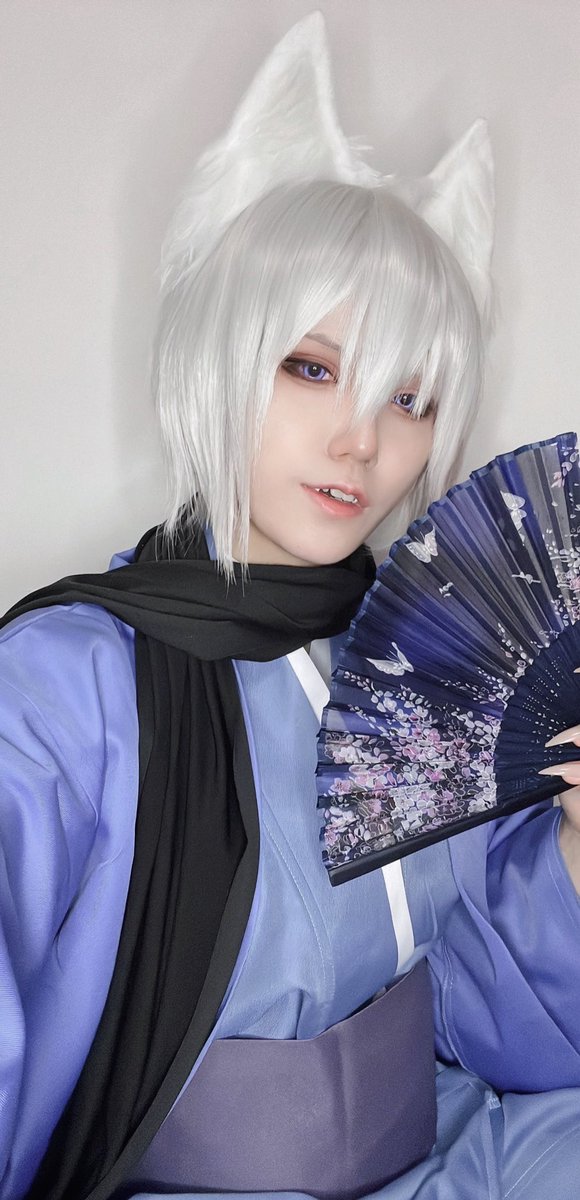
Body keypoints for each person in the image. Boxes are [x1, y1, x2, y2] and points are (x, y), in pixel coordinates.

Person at [1, 13, 579, 1200]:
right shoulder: (63, 685)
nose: (361, 440)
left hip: (447, 1153)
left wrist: (576, 848)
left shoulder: (427, 676)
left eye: (410, 398)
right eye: (311, 368)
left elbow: (483, 1021)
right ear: (215, 353)